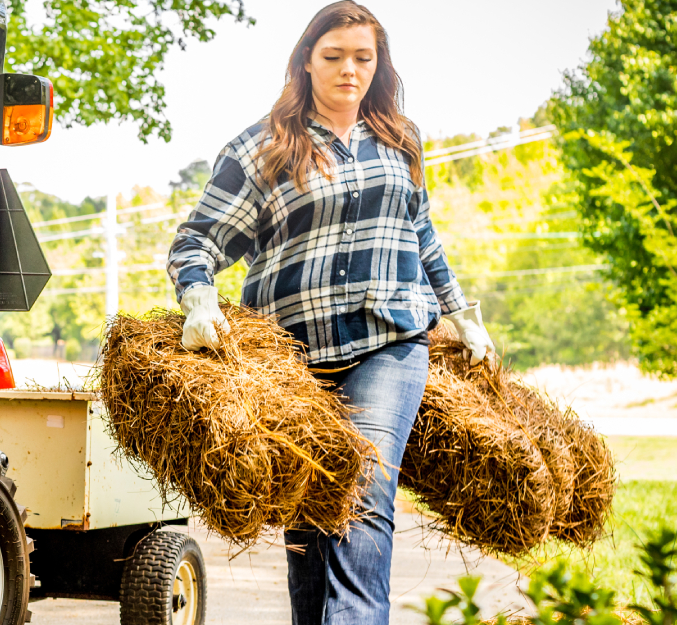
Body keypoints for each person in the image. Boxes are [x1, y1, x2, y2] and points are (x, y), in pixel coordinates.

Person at [164, 2, 495, 623]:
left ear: (379, 64)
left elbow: (421, 233)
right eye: (334, 56)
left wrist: (459, 312)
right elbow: (199, 239)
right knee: (309, 515)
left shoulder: (401, 139)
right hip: (292, 357)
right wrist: (198, 297)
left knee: (362, 497)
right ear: (306, 62)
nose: (350, 70)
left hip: (390, 339)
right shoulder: (261, 147)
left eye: (363, 58)